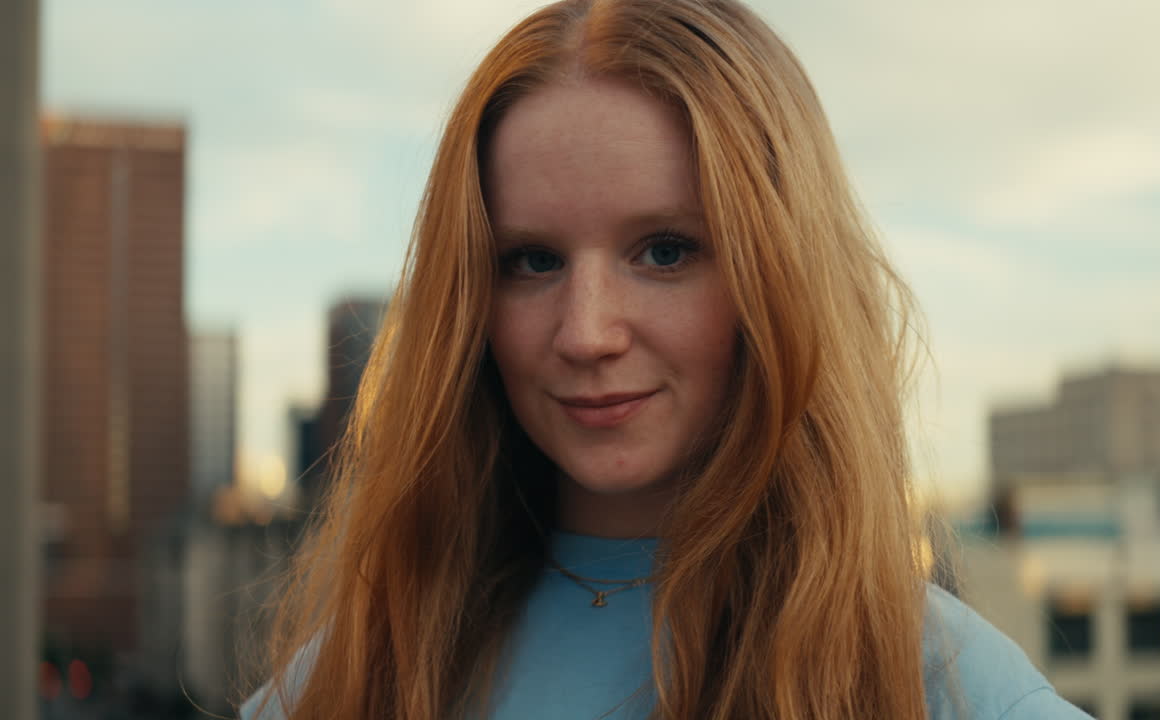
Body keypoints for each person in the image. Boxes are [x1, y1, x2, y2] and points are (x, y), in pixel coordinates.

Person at [241, 1, 1092, 718]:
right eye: (532, 261)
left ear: (782, 277)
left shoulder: (943, 687)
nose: (587, 333)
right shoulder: (353, 677)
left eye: (665, 251)